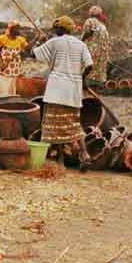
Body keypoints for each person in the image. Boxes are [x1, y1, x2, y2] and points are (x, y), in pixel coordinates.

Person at [31, 16, 91, 164]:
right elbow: (90, 65)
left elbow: (33, 53)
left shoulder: (54, 42)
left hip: (56, 89)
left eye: (55, 28)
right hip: (73, 91)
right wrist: (82, 79)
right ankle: (84, 154)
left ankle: (60, 159)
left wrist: (38, 40)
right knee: (74, 124)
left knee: (54, 124)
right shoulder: (80, 44)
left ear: (59, 29)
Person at [0, 21, 29, 96]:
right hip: (5, 70)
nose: (19, 31)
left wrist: (37, 39)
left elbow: (28, 48)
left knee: (14, 91)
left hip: (16, 70)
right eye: (17, 29)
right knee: (4, 91)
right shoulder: (2, 39)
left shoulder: (20, 40)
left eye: (19, 29)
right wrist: (1, 63)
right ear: (11, 29)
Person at [81, 6, 111, 86]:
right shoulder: (103, 26)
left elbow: (86, 33)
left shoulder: (89, 21)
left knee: (88, 65)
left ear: (90, 13)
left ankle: (86, 84)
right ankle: (98, 84)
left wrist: (81, 41)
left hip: (92, 49)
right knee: (99, 68)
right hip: (103, 52)